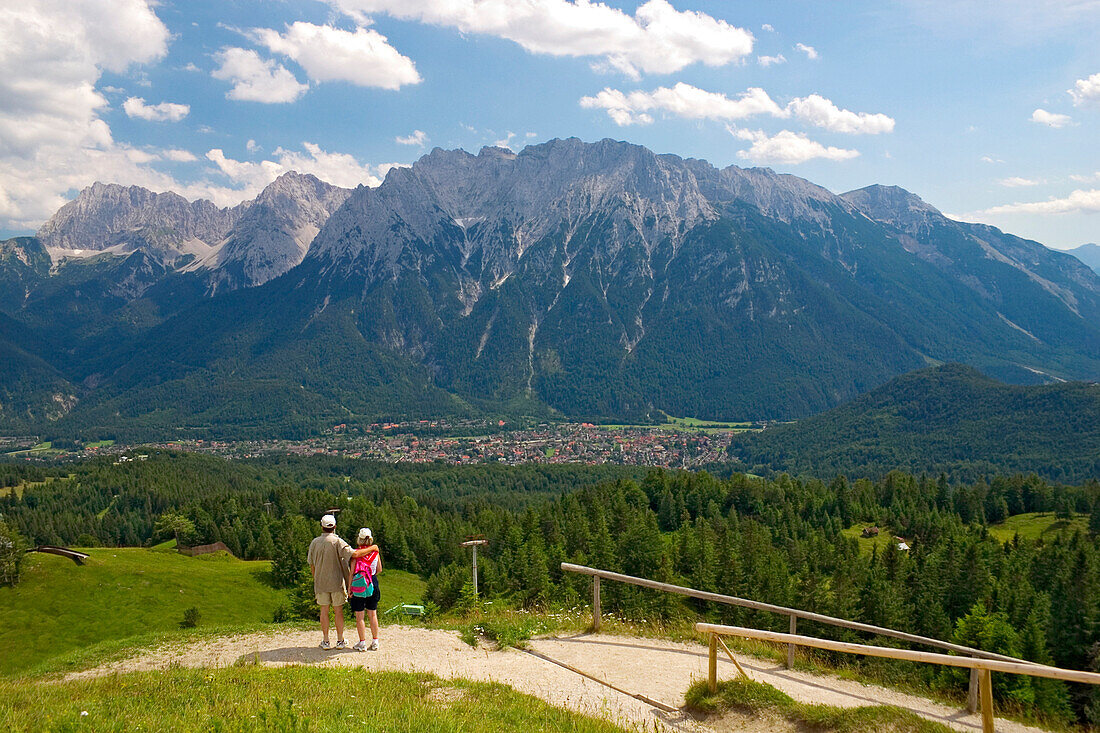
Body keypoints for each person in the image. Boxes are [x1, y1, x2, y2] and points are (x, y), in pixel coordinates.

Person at [306, 513, 353, 650]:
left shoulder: (314, 542)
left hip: (321, 582)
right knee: (338, 611)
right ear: (335, 526)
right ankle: (340, 640)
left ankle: (326, 640)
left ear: (322, 526)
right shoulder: (337, 541)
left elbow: (312, 564)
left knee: (324, 611)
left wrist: (316, 579)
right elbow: (351, 554)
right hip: (337, 582)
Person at [347, 527, 382, 651]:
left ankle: (362, 642)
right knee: (372, 613)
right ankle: (375, 640)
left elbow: (351, 572)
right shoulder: (375, 553)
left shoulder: (356, 554)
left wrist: (349, 588)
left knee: (359, 615)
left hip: (358, 585)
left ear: (359, 539)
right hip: (372, 582)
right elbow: (379, 569)